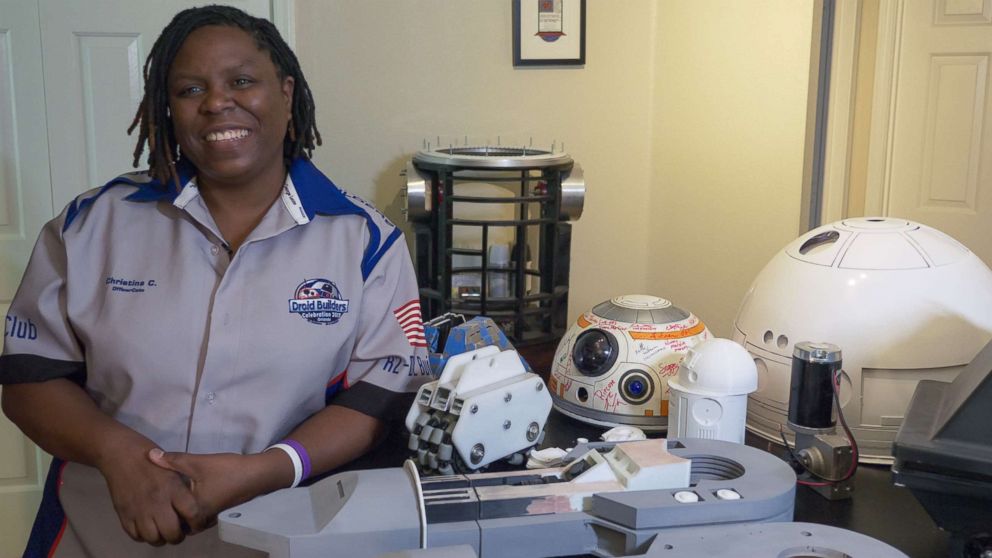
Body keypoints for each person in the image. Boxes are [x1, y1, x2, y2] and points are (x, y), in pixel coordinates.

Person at [0, 6, 431, 557]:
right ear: (168, 109)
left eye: (242, 81)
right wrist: (119, 455)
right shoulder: (89, 225)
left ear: (286, 91)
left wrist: (269, 468)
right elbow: (30, 382)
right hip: (99, 534)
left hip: (283, 538)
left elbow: (378, 401)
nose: (217, 102)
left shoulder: (366, 243)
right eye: (189, 88)